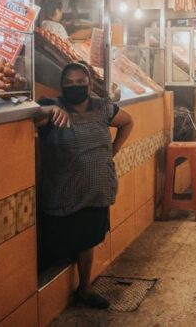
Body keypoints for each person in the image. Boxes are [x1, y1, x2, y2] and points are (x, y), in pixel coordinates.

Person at [35, 62, 134, 308]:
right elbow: (34, 115)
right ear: (61, 85)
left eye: (80, 82)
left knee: (88, 240)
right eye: (69, 83)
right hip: (63, 191)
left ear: (89, 84)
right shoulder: (53, 106)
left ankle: (84, 289)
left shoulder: (102, 107)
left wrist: (114, 149)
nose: (75, 86)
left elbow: (127, 122)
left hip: (96, 190)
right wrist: (49, 111)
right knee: (58, 240)